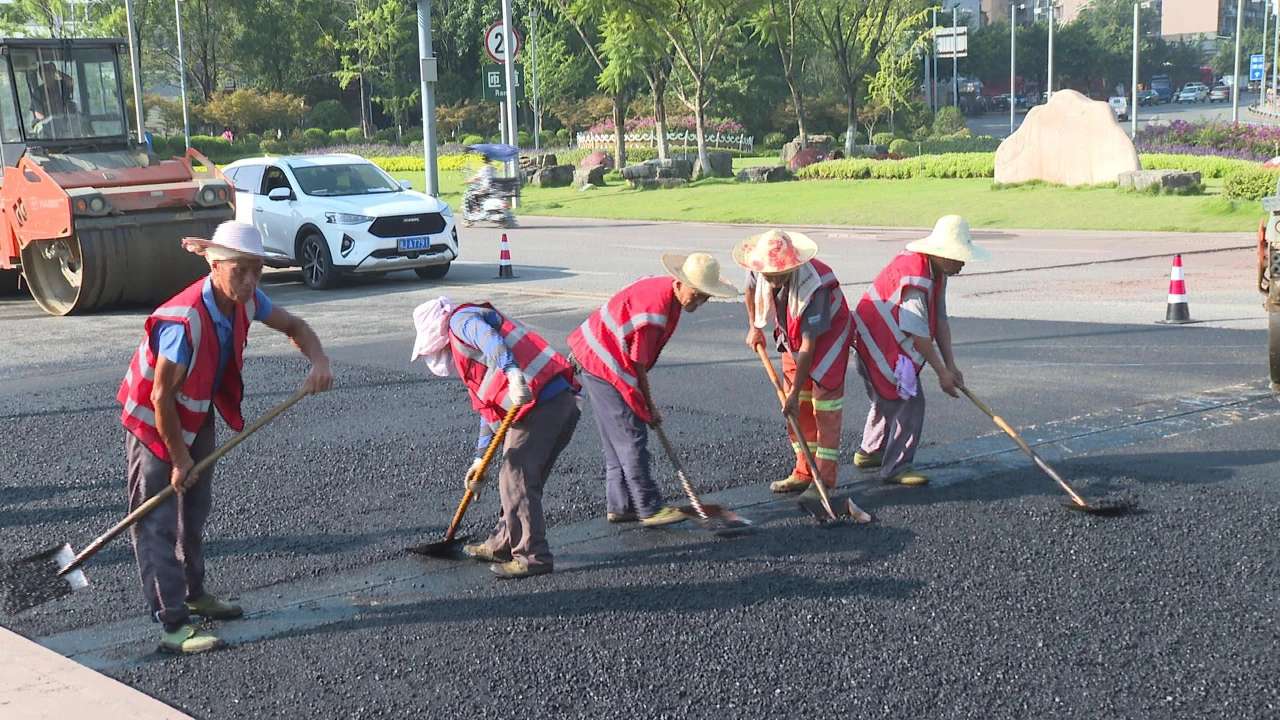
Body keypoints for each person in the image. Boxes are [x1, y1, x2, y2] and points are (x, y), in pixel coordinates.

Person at [117, 221, 332, 655]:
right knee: (154, 521)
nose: (251, 280)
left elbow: (297, 326)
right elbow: (161, 397)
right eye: (241, 270)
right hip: (153, 420)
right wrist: (178, 459)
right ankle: (173, 624)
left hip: (195, 411)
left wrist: (319, 361)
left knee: (194, 508)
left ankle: (194, 593)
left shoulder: (246, 301)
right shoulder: (184, 320)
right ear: (215, 266)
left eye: (257, 270)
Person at [412, 297, 580, 579]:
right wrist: (480, 460)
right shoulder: (469, 357)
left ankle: (531, 557)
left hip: (543, 402)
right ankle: (502, 543)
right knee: (516, 479)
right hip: (557, 403)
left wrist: (513, 374)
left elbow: (487, 337)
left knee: (516, 476)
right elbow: (489, 412)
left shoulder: (460, 321)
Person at [567, 253, 739, 527]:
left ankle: (622, 504)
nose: (700, 301)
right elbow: (637, 366)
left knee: (616, 438)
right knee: (631, 435)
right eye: (696, 294)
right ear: (681, 283)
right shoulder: (654, 313)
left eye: (706, 296)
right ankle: (649, 507)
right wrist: (649, 408)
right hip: (602, 360)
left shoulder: (665, 290)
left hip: (593, 351)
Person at [851, 215, 989, 486]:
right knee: (909, 401)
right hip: (877, 344)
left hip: (880, 344)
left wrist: (952, 365)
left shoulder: (935, 274)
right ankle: (895, 467)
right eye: (958, 257)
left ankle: (871, 451)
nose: (962, 264)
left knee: (887, 399)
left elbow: (940, 321)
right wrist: (941, 373)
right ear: (942, 253)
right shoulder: (915, 276)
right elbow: (918, 333)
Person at [736, 229, 852, 498]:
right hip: (792, 332)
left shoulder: (816, 286)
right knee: (796, 409)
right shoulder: (760, 268)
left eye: (777, 275)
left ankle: (824, 480)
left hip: (828, 337)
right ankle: (803, 471)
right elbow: (750, 289)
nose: (771, 279)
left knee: (825, 408)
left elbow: (810, 346)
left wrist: (797, 389)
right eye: (768, 275)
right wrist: (754, 326)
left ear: (792, 265)